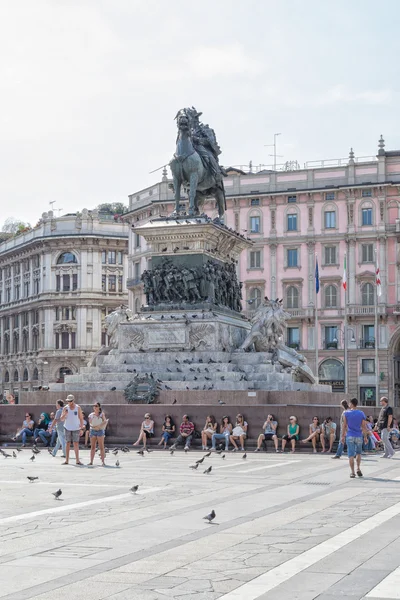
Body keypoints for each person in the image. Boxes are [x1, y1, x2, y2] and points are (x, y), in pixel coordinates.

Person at [341, 398, 368, 478]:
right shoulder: (361, 413)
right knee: (359, 453)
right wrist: (365, 437)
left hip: (350, 435)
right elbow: (364, 426)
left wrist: (342, 436)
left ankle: (352, 472)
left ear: (351, 404)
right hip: (359, 435)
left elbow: (344, 425)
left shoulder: (347, 413)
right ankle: (358, 468)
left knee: (351, 455)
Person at [61, 394, 84, 465]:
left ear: (73, 401)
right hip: (67, 427)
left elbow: (81, 418)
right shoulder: (65, 408)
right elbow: (61, 419)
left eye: (70, 401)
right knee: (67, 443)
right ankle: (67, 460)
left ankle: (77, 460)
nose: (69, 403)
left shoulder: (78, 408)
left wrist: (81, 428)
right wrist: (65, 414)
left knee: (76, 443)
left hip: (76, 428)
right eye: (68, 401)